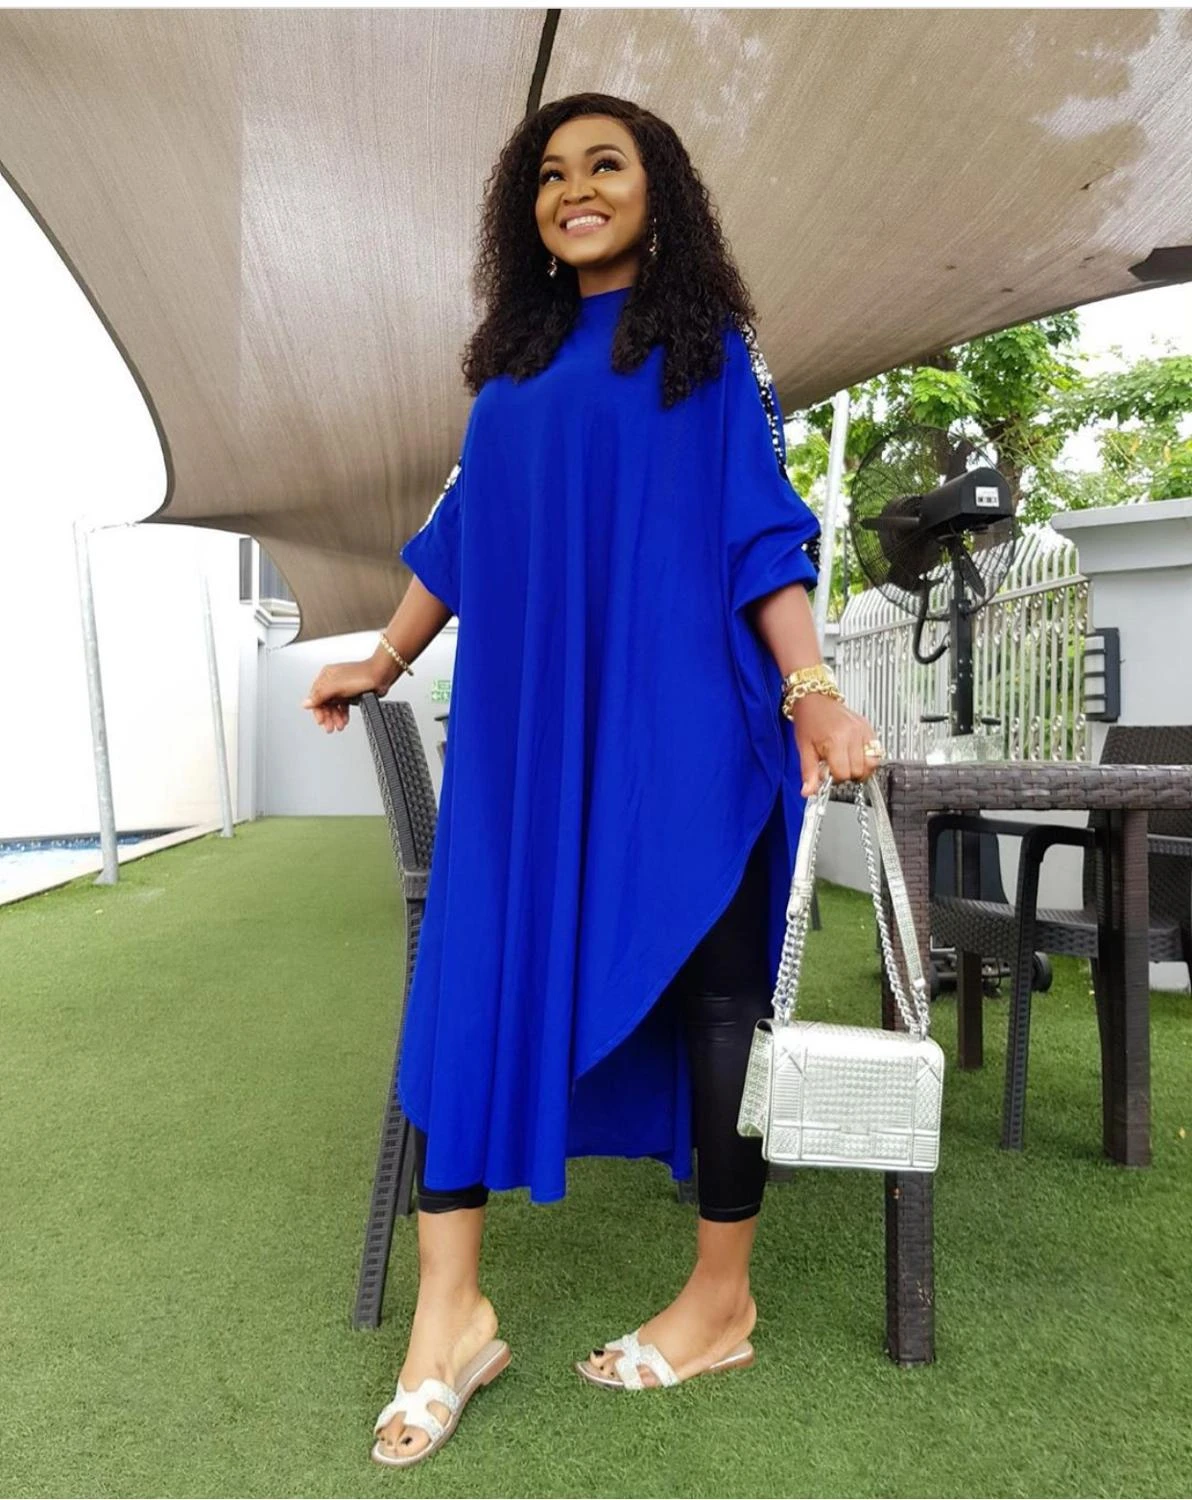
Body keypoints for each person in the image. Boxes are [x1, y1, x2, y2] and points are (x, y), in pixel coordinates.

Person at [301, 93, 884, 1467]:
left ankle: (721, 1301)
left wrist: (810, 688)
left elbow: (761, 538)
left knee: (720, 1000)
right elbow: (462, 536)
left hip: (684, 729)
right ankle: (450, 1317)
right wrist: (381, 658)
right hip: (529, 740)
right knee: (469, 983)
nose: (576, 187)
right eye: (552, 173)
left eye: (606, 165)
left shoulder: (708, 355)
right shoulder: (509, 371)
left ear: (656, 192)